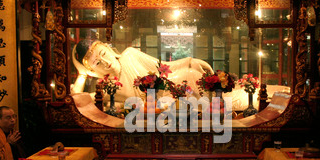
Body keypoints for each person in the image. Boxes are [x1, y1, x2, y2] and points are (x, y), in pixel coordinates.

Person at [70, 39, 251, 110]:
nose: (106, 62)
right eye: (97, 63)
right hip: (159, 106)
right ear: (93, 71)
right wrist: (82, 73)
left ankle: (242, 96)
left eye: (103, 54)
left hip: (174, 82)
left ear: (109, 49)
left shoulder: (130, 55)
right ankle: (239, 100)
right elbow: (78, 98)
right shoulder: (109, 86)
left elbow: (163, 66)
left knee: (195, 80)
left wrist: (189, 61)